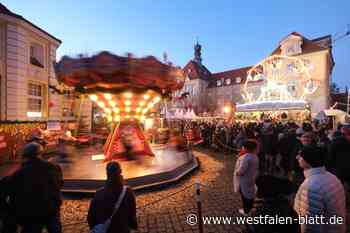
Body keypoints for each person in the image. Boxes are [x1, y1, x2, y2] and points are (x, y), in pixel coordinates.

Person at [5, 142, 63, 233]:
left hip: (31, 213)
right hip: (51, 209)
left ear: (26, 156)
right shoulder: (54, 168)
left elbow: (12, 193)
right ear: (41, 154)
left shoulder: (19, 173)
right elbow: (60, 184)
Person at [294, 146, 346, 233]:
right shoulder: (332, 177)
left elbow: (310, 225)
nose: (297, 157)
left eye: (300, 155)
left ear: (309, 160)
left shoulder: (311, 186)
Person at [87, 161, 137, 233]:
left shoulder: (99, 193)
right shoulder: (128, 192)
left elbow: (90, 218)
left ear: (107, 174)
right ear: (120, 172)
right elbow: (132, 215)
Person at [234, 139, 259, 215]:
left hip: (244, 180)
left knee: (245, 196)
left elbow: (241, 171)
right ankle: (250, 209)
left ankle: (246, 211)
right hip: (252, 178)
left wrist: (237, 173)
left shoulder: (246, 157)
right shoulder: (255, 156)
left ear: (245, 148)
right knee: (250, 194)